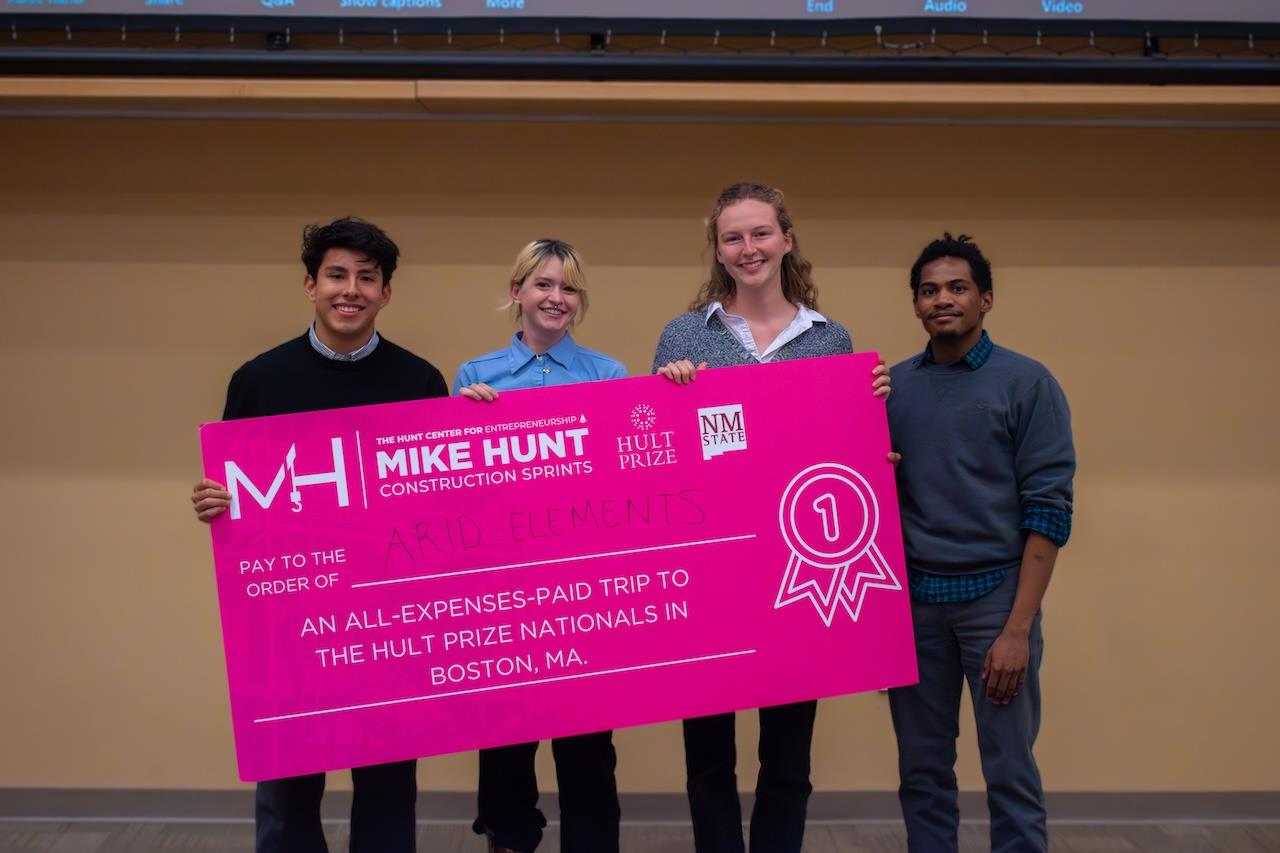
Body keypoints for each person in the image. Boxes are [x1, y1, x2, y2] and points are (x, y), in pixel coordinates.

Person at [190, 217, 449, 853]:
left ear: (386, 292)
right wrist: (215, 502)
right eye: (336, 275)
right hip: (286, 619)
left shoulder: (419, 382)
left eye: (367, 278)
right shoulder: (258, 380)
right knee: (287, 793)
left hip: (389, 621)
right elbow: (241, 501)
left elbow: (439, 509)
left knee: (388, 790)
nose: (350, 289)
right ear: (310, 285)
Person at [652, 181, 890, 853]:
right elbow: (663, 458)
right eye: (733, 236)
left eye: (760, 233)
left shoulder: (830, 338)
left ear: (786, 239)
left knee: (787, 760)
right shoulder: (682, 334)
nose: (748, 247)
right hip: (710, 573)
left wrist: (871, 413)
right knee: (708, 760)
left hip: (797, 572)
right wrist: (664, 394)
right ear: (719, 250)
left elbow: (845, 458)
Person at [886, 233, 1074, 853]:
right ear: (916, 304)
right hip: (914, 606)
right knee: (921, 773)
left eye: (958, 288)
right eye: (929, 290)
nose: (943, 299)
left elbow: (1049, 512)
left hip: (996, 603)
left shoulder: (1027, 384)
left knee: (1010, 773)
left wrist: (1018, 630)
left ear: (986, 299)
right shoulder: (893, 390)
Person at [453, 238, 626, 853]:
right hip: (504, 592)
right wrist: (461, 421)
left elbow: (621, 478)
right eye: (544, 285)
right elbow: (458, 491)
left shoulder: (608, 375)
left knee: (587, 750)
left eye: (569, 288)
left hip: (583, 590)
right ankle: (508, 840)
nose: (556, 299)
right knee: (505, 745)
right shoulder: (475, 377)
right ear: (516, 292)